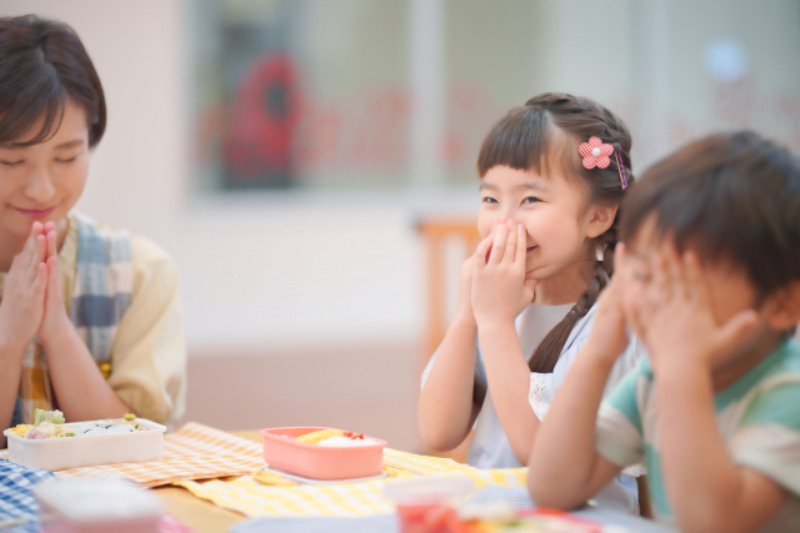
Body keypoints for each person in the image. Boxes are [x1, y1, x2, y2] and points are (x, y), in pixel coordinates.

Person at [528, 130, 800, 531]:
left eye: (684, 285)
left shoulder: (786, 393)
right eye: (644, 273)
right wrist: (598, 354)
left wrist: (681, 370)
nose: (657, 300)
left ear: (781, 305)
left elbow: (710, 523)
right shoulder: (653, 380)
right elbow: (553, 487)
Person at [418, 93, 644, 513]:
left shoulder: (612, 322)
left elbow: (540, 453)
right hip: (487, 516)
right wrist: (469, 314)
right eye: (490, 199)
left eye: (530, 200)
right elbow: (438, 430)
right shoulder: (497, 306)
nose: (504, 222)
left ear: (598, 216)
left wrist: (495, 322)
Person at [0, 14, 186, 445]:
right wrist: (9, 339)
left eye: (66, 157)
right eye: (11, 161)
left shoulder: (140, 273)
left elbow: (139, 443)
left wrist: (57, 331)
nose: (41, 188)